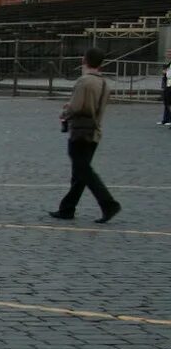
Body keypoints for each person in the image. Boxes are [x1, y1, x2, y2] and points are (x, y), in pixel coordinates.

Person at [51, 48, 120, 223]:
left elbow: (76, 107)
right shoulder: (104, 83)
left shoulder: (84, 81)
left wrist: (64, 113)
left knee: (83, 169)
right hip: (95, 130)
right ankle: (67, 208)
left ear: (84, 61)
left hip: (81, 130)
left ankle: (108, 203)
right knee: (79, 172)